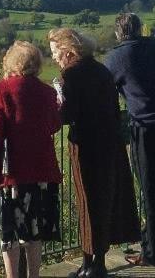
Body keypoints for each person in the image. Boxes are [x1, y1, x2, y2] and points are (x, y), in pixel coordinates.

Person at [48, 28, 140, 278]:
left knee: (88, 202)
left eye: (56, 52)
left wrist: (57, 99)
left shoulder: (71, 74)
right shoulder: (101, 70)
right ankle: (92, 261)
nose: (54, 58)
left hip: (87, 146)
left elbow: (68, 115)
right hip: (110, 143)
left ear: (68, 51)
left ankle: (93, 264)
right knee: (105, 200)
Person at [103, 13, 155, 268]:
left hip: (146, 128)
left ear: (118, 33)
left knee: (150, 190)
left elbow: (104, 84)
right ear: (139, 30)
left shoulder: (116, 57)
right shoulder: (152, 46)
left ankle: (152, 253)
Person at [0, 41, 63, 278]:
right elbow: (54, 125)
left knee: (9, 235)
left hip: (13, 175)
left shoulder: (1, 90)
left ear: (11, 63)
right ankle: (34, 275)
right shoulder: (47, 92)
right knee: (33, 231)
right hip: (43, 171)